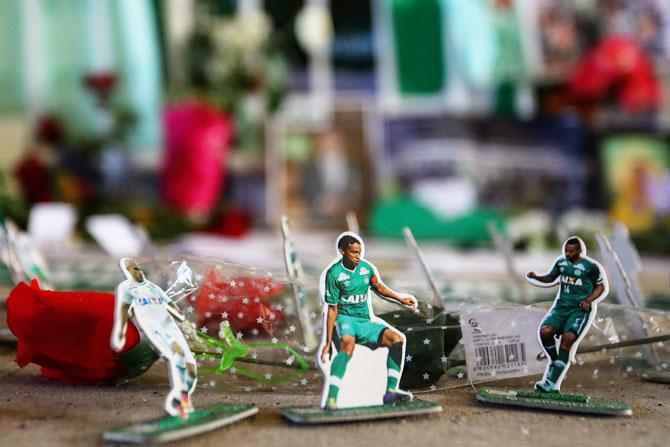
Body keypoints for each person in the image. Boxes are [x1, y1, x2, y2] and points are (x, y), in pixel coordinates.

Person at [319, 233, 418, 409]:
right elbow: (332, 309)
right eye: (353, 252)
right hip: (345, 319)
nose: (358, 256)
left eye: (359, 252)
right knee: (347, 345)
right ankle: (331, 399)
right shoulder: (334, 274)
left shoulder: (366, 269)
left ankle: (390, 392)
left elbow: (378, 287)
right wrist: (327, 343)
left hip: (364, 321)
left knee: (397, 339)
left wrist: (400, 299)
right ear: (342, 251)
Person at [110, 258, 197, 418]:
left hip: (171, 326)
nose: (138, 271)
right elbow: (123, 309)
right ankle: (183, 403)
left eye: (138, 267)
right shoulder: (127, 288)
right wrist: (120, 331)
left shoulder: (153, 287)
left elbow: (170, 304)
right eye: (133, 269)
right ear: (127, 272)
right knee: (178, 356)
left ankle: (179, 398)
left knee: (191, 368)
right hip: (155, 328)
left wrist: (183, 320)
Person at [527, 237, 608, 392]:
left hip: (579, 309)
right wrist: (536, 276)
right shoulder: (561, 263)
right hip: (561, 306)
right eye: (566, 251)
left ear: (579, 251)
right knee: (545, 331)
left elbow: (601, 287)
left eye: (571, 251)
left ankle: (550, 383)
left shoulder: (591, 267)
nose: (567, 254)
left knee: (568, 339)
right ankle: (556, 359)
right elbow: (551, 277)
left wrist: (588, 300)